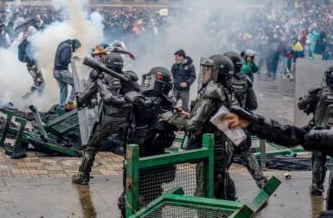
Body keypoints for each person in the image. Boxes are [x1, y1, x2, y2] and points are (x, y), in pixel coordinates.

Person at [162, 54, 238, 200]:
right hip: (222, 147)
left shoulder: (212, 92)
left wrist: (170, 118)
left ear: (217, 73)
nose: (204, 72)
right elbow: (211, 119)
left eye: (208, 70)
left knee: (203, 194)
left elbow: (193, 126)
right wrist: (186, 114)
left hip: (212, 150)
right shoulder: (224, 90)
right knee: (218, 189)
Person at [72, 52, 140, 185]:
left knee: (91, 147)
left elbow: (82, 98)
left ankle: (83, 176)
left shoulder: (102, 79)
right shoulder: (128, 77)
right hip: (127, 120)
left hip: (109, 120)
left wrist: (93, 84)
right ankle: (130, 180)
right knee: (129, 151)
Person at [118, 66, 177, 216]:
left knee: (135, 201)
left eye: (151, 80)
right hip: (147, 160)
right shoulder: (164, 103)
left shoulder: (151, 103)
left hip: (143, 159)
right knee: (149, 199)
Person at [223, 51, 267, 189]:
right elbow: (253, 105)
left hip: (224, 124)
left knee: (222, 164)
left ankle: (225, 192)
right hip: (241, 123)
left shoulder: (222, 80)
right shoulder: (246, 80)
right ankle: (262, 181)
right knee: (246, 153)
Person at [297, 65, 333, 195]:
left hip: (320, 132)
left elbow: (301, 105)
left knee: (318, 160)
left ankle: (317, 187)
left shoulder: (319, 91)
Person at [53, 39, 81, 113]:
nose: (76, 50)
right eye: (77, 48)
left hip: (56, 71)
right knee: (77, 83)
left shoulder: (64, 44)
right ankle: (70, 103)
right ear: (75, 45)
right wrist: (72, 59)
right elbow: (64, 60)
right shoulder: (67, 47)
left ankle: (61, 107)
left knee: (63, 90)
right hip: (61, 72)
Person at [18, 26, 44, 98]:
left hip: (33, 65)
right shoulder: (27, 43)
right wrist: (30, 59)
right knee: (40, 83)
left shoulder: (28, 42)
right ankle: (38, 98)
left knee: (38, 82)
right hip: (32, 66)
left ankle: (27, 97)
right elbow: (23, 57)